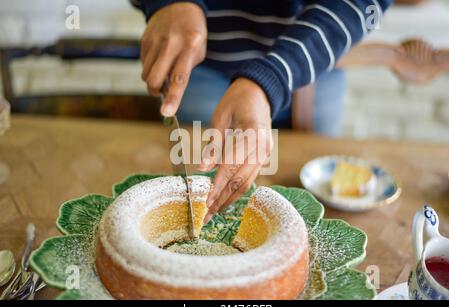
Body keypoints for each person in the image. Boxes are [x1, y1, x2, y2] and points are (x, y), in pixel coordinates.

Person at [132, 0, 392, 221]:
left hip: (314, 63)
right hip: (201, 66)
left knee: (318, 211)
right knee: (200, 189)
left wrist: (274, 75)